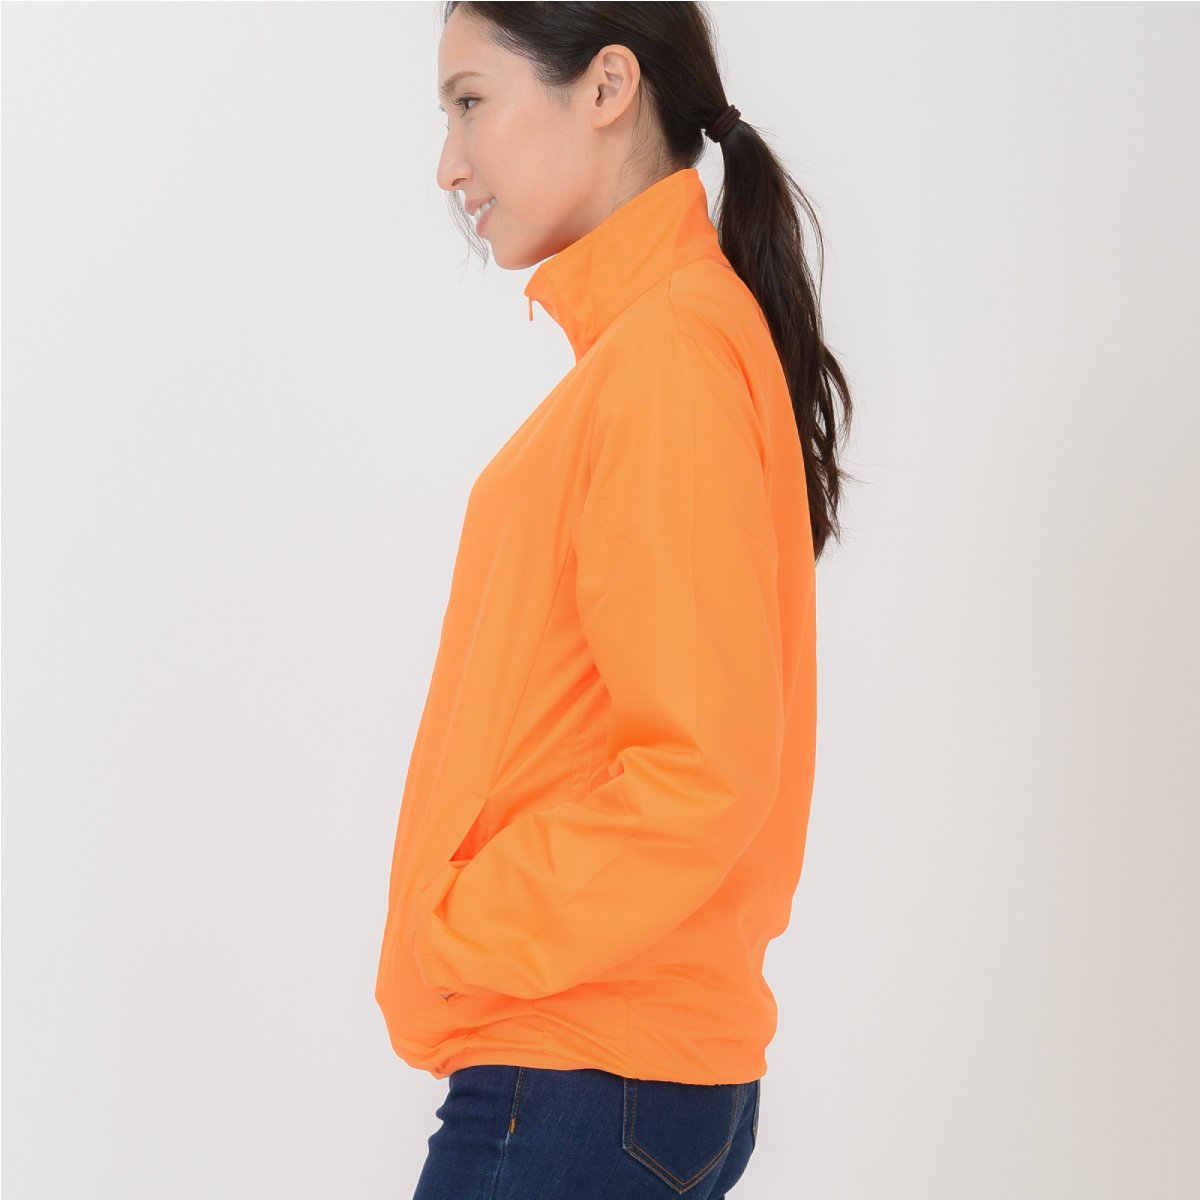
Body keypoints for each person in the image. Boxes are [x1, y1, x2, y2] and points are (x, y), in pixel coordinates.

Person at [376, 4, 855, 1196]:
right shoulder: (659, 345)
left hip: (582, 1069)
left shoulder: (668, 359)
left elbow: (700, 771)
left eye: (470, 103)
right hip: (609, 1069)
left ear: (606, 86)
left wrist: (459, 926)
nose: (449, 164)